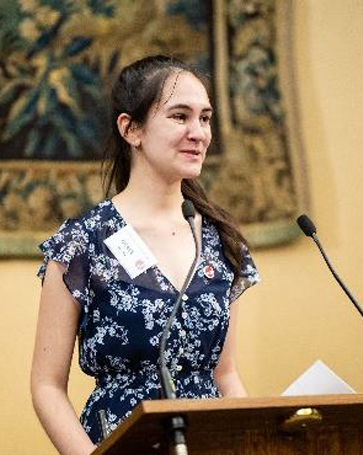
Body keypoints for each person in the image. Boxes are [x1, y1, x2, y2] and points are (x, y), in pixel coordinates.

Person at [30, 55, 259, 455]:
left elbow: (226, 375)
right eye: (179, 116)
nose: (199, 133)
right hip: (119, 443)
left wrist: (254, 445)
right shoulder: (82, 242)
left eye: (205, 118)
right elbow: (46, 387)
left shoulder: (222, 242)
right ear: (131, 129)